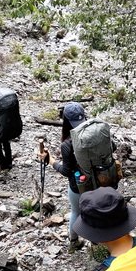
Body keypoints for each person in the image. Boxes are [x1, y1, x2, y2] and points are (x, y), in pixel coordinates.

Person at [51, 101, 87, 252]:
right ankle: (101, 240)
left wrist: (51, 162)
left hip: (79, 185)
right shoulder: (96, 131)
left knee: (76, 212)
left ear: (66, 121)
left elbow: (66, 171)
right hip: (102, 180)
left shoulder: (67, 144)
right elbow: (113, 147)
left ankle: (74, 242)